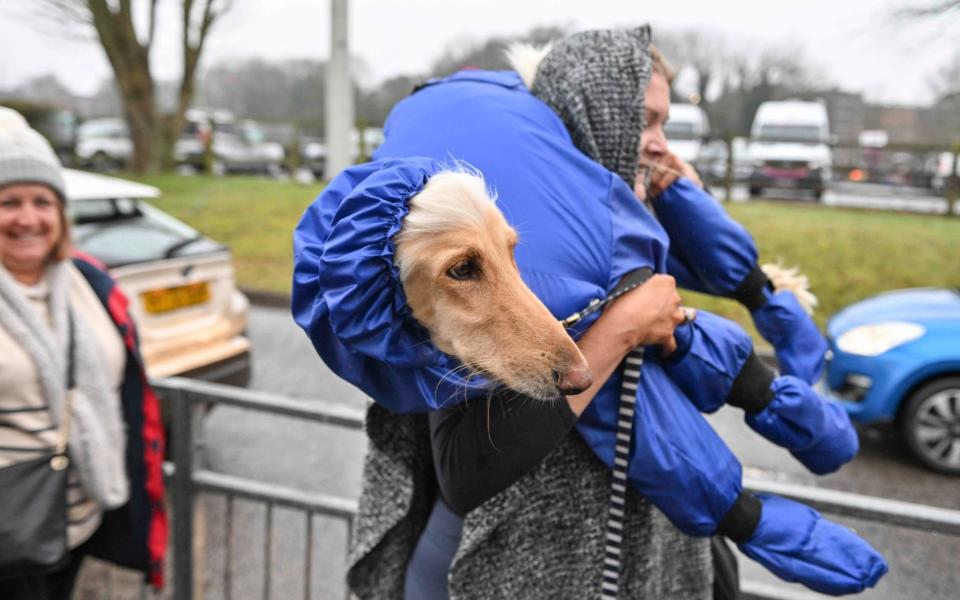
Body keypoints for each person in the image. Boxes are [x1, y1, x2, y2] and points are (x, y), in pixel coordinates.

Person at [0, 107, 167, 599]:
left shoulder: (88, 284)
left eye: (42, 202)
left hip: (81, 518)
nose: (28, 218)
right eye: (9, 202)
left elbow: (128, 393)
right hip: (7, 531)